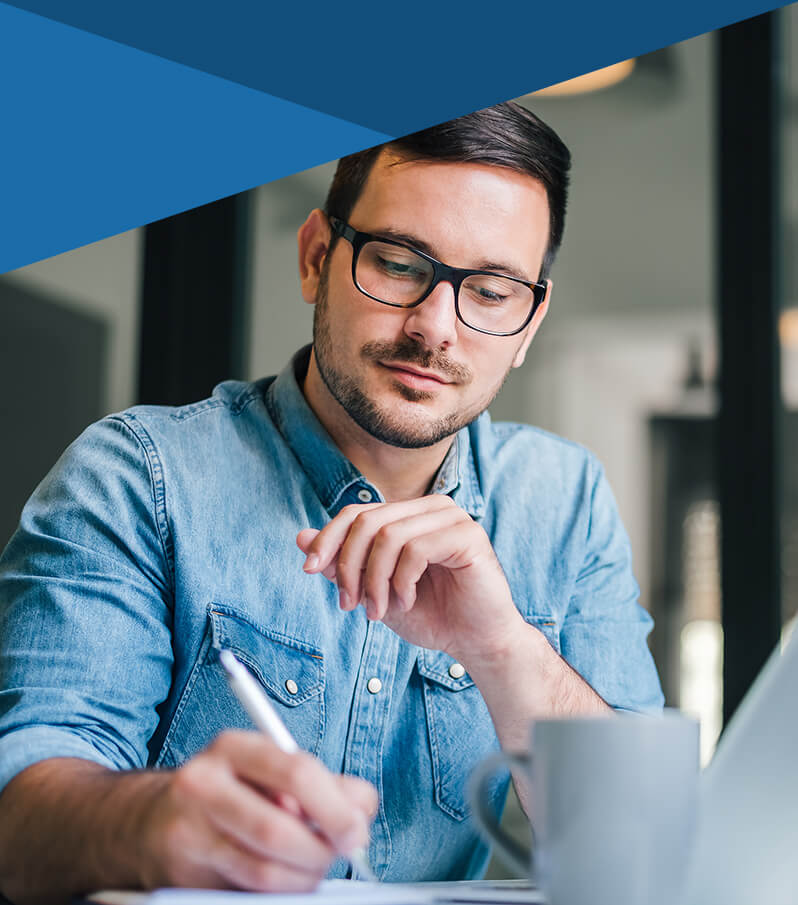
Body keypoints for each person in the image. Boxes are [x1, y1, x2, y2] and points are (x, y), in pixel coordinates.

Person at [0, 101, 663, 904]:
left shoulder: (564, 502)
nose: (436, 327)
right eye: (398, 262)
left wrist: (504, 647)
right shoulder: (137, 476)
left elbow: (648, 850)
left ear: (528, 323)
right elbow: (18, 823)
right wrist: (153, 821)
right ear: (317, 256)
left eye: (489, 290)